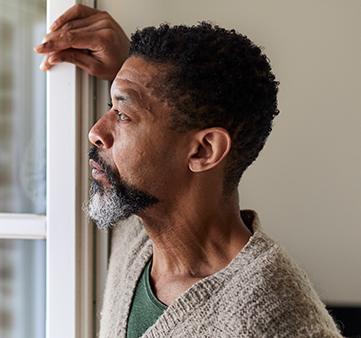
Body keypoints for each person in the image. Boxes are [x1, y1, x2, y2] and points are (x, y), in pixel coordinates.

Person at [35, 5, 342, 337]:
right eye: (112, 106)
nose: (96, 131)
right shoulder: (141, 223)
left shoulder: (277, 320)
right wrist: (126, 72)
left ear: (203, 150)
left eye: (122, 114)